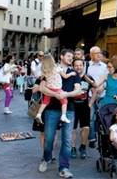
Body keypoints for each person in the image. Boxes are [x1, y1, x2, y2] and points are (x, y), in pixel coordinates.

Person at [38, 49, 81, 178]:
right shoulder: (51, 68)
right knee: (49, 138)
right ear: (61, 56)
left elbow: (78, 90)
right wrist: (56, 95)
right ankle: (46, 158)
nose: (71, 58)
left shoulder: (74, 73)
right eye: (68, 56)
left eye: (72, 57)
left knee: (67, 140)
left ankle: (64, 167)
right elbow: (42, 88)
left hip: (69, 109)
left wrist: (66, 94)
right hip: (51, 109)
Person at [35, 54, 75, 124]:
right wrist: (71, 73)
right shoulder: (57, 68)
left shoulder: (44, 71)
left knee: (45, 102)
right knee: (64, 101)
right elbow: (65, 76)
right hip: (57, 89)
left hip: (49, 88)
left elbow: (40, 78)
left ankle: (39, 114)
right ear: (52, 61)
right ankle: (63, 116)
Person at [86, 46, 108, 148]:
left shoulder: (105, 66)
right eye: (96, 53)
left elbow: (107, 79)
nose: (99, 55)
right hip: (91, 96)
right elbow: (84, 80)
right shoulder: (87, 66)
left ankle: (103, 137)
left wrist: (103, 87)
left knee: (103, 117)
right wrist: (89, 87)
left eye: (100, 52)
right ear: (91, 55)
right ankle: (92, 137)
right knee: (91, 118)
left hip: (102, 96)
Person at [71, 58, 91, 159]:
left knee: (86, 127)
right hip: (72, 105)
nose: (78, 67)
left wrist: (91, 103)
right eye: (76, 65)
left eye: (80, 65)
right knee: (73, 128)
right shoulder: (71, 77)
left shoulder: (87, 77)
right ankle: (73, 148)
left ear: (83, 66)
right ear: (73, 67)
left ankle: (83, 147)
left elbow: (95, 88)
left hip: (84, 106)